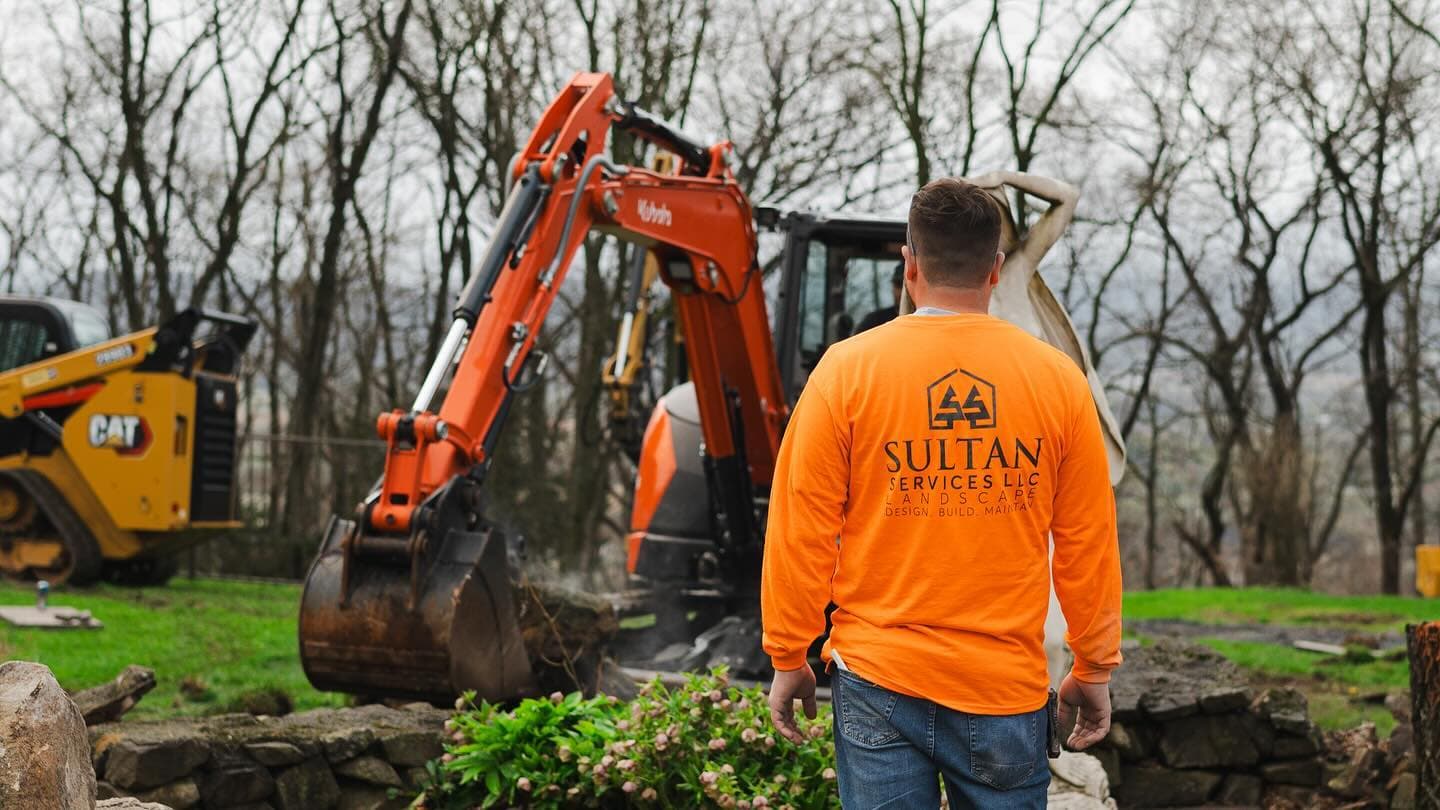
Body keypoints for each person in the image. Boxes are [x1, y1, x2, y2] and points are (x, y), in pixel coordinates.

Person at [762, 178, 1123, 809]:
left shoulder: (845, 371)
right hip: (1002, 688)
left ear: (909, 263)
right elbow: (1086, 539)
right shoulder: (1057, 380)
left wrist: (789, 652)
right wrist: (1093, 665)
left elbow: (801, 528)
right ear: (994, 269)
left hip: (877, 679)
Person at [854, 263, 904, 334]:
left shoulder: (920, 320)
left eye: (906, 286)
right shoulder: (874, 322)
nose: (902, 292)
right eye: (898, 285)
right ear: (892, 287)